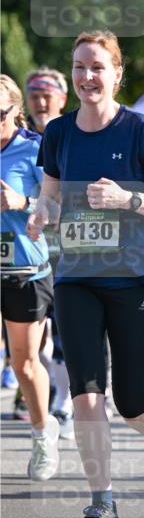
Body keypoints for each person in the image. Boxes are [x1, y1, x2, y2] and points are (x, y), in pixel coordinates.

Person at [27, 30, 144, 518]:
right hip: (76, 279)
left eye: (97, 67)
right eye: (79, 66)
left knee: (131, 401)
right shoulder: (58, 133)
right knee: (85, 394)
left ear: (118, 73)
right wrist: (41, 213)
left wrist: (128, 200)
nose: (86, 76)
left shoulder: (140, 130)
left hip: (134, 282)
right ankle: (103, 505)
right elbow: (51, 197)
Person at [0, 74, 59, 480]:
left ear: (15, 111)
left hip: (23, 268)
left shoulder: (34, 149)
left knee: (24, 365)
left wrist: (24, 202)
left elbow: (62, 208)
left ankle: (42, 432)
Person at [24, 66, 73, 433]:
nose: (41, 102)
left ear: (62, 98)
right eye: (35, 96)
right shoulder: (18, 141)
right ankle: (45, 393)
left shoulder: (73, 137)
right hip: (27, 254)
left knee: (65, 331)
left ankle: (64, 402)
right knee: (31, 339)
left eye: (47, 95)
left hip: (70, 250)